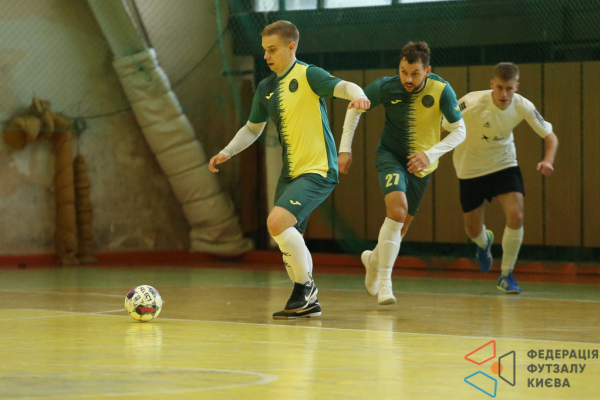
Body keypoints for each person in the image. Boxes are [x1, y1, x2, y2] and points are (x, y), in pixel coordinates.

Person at [208, 20, 369, 318]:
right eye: (264, 50)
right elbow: (252, 128)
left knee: (277, 222)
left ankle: (306, 288)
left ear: (291, 47)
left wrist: (358, 95)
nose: (266, 56)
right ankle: (306, 300)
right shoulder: (265, 87)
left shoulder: (309, 74)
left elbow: (345, 87)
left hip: (318, 169)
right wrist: (226, 151)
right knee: (286, 234)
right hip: (290, 174)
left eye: (272, 49)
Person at [341, 41, 466, 305]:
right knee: (397, 211)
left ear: (427, 71)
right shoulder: (386, 87)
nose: (408, 79)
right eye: (403, 72)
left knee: (400, 229)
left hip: (422, 166)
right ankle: (385, 282)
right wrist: (345, 149)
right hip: (391, 156)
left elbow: (460, 131)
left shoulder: (442, 90)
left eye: (415, 74)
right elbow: (354, 107)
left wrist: (429, 155)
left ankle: (372, 261)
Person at [444, 62, 558, 294]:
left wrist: (548, 160)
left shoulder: (523, 105)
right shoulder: (471, 102)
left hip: (504, 163)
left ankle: (506, 275)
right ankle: (484, 242)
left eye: (509, 88)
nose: (504, 94)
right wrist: (426, 154)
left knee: (516, 214)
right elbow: (443, 126)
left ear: (516, 87)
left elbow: (551, 137)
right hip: (470, 168)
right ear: (491, 85)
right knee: (473, 231)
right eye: (499, 88)